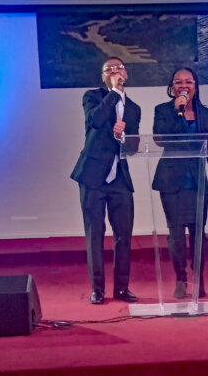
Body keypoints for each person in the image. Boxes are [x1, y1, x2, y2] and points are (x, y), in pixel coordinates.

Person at [70, 57, 141, 304]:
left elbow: (133, 148)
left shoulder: (133, 108)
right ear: (103, 77)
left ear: (126, 73)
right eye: (109, 69)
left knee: (124, 235)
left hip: (119, 178)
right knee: (95, 234)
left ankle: (122, 288)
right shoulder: (92, 97)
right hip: (92, 177)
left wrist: (123, 138)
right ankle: (97, 289)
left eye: (119, 67)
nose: (114, 70)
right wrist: (112, 92)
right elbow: (96, 121)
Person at [152, 67, 208, 299]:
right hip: (171, 181)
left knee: (198, 233)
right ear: (172, 87)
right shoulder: (162, 110)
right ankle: (181, 279)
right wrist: (177, 112)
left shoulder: (207, 114)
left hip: (196, 182)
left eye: (189, 82)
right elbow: (160, 140)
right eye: (178, 82)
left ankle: (198, 277)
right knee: (175, 234)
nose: (184, 86)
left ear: (196, 86)